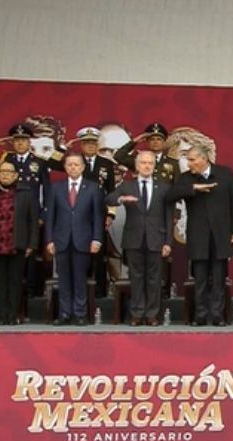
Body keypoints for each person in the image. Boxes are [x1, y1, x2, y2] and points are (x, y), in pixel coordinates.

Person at [168, 146, 233, 326]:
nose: (189, 163)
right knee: (199, 278)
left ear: (204, 159)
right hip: (198, 235)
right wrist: (193, 188)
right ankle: (200, 314)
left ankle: (217, 314)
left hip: (221, 235)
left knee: (219, 278)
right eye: (188, 160)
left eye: (192, 160)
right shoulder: (186, 178)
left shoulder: (225, 174)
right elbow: (170, 195)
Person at [0, 123, 50, 296]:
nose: (20, 144)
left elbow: (46, 191)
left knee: (29, 256)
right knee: (5, 258)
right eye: (16, 140)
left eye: (23, 140)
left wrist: (43, 215)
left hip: (29, 217)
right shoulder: (5, 160)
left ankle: (29, 292)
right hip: (6, 218)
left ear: (29, 142)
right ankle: (6, 294)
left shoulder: (38, 162)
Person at [106, 151, 173, 326]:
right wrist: (121, 199)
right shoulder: (128, 185)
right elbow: (109, 198)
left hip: (156, 239)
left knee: (154, 278)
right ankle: (136, 313)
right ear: (136, 165)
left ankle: (151, 314)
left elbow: (168, 216)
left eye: (150, 163)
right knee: (136, 278)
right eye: (143, 162)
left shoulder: (164, 187)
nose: (147, 166)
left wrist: (167, 242)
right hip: (133, 238)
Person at [49, 126, 117, 297]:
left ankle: (99, 294)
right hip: (75, 216)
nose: (90, 147)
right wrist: (63, 148)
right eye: (86, 143)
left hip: (97, 215)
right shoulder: (74, 162)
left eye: (93, 143)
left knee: (98, 256)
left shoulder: (106, 164)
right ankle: (82, 294)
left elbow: (111, 192)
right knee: (78, 258)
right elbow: (51, 163)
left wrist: (110, 215)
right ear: (81, 145)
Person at [0, 161, 39, 325]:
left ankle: (13, 316)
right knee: (0, 283)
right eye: (2, 171)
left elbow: (32, 221)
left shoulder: (25, 193)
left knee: (15, 282)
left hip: (17, 244)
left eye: (9, 172)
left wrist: (31, 244)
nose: (5, 174)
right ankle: (2, 316)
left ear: (15, 175)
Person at [45, 153, 104, 326]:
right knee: (63, 279)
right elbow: (50, 217)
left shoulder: (93, 188)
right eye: (69, 164)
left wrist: (97, 239)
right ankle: (64, 313)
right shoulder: (56, 188)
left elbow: (97, 216)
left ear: (83, 167)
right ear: (64, 167)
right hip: (61, 239)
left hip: (83, 240)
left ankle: (80, 313)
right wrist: (49, 240)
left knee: (80, 279)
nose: (73, 168)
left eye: (76, 165)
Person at [114, 122, 180, 184]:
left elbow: (176, 185)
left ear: (164, 142)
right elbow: (118, 156)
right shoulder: (139, 160)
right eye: (152, 139)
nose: (155, 142)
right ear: (147, 142)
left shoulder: (173, 163)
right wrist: (135, 141)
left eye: (159, 139)